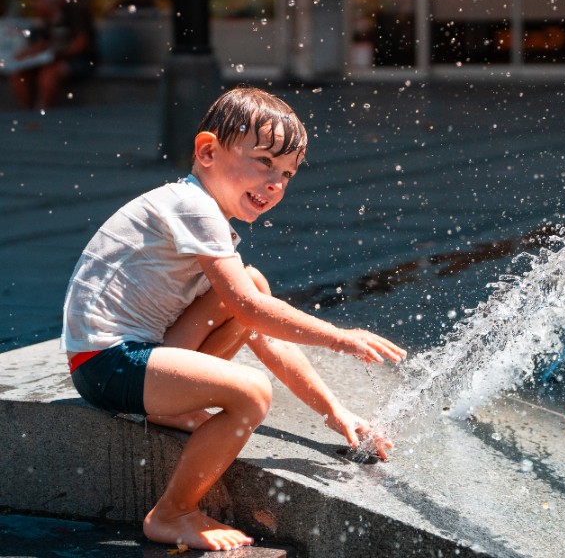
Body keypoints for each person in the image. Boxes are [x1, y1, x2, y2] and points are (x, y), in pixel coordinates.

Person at [60, 87, 406, 551]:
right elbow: (248, 309)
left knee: (252, 280)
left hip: (133, 357)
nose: (275, 183)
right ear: (207, 151)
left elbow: (257, 323)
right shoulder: (192, 207)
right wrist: (340, 337)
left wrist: (334, 411)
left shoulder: (200, 211)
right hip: (107, 364)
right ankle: (172, 513)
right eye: (263, 162)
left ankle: (176, 409)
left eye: (286, 173)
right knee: (251, 393)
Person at [9, 0, 97, 110]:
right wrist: (28, 54)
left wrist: (57, 55)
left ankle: (45, 110)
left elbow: (81, 44)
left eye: (45, 13)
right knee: (18, 74)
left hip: (79, 59)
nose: (43, 17)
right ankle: (27, 110)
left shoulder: (75, 13)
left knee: (49, 74)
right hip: (50, 57)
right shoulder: (46, 20)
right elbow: (42, 42)